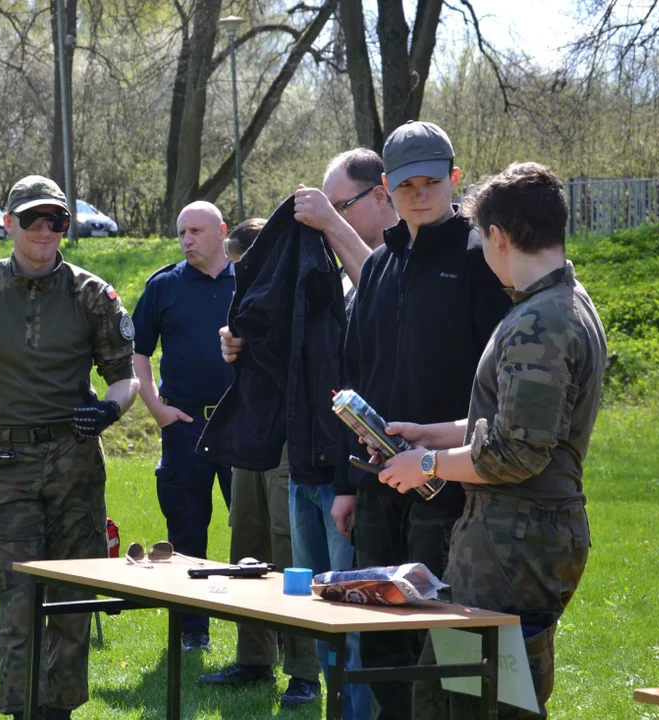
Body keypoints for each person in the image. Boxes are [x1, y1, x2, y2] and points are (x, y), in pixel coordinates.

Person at [375, 162, 605, 719]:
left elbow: (516, 453)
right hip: (513, 538)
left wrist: (426, 463)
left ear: (497, 236)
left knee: (487, 705)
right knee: (444, 693)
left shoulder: (539, 323)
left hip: (514, 542)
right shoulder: (563, 303)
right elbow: (518, 424)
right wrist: (433, 434)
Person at [0, 175, 139, 720]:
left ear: (67, 227)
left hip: (76, 461)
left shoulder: (92, 295)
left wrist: (110, 409)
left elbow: (123, 378)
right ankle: (20, 711)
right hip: (9, 461)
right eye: (32, 219)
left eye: (55, 220)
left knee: (71, 595)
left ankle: (56, 712)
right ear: (8, 223)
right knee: (17, 596)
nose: (44, 230)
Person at [330, 121, 512, 718]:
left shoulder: (481, 258)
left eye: (433, 181)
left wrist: (456, 460)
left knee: (446, 645)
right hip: (380, 485)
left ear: (454, 179)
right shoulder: (380, 264)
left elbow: (499, 382)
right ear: (387, 188)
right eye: (408, 185)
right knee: (381, 635)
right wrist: (345, 484)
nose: (421, 193)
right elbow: (356, 374)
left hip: (451, 486)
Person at [218, 149, 392, 720]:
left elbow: (386, 301)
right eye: (329, 206)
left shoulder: (398, 262)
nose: (326, 217)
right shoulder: (327, 273)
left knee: (357, 621)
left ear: (380, 196)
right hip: (309, 467)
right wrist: (246, 344)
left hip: (358, 477)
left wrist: (331, 222)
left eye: (342, 204)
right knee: (321, 617)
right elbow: (301, 362)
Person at [198, 218, 323, 709]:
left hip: (292, 438)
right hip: (251, 432)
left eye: (240, 266)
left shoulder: (304, 286)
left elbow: (307, 358)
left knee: (290, 552)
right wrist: (234, 346)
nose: (236, 277)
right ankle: (254, 659)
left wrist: (256, 343)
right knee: (245, 542)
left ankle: (305, 671)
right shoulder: (249, 295)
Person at [131, 200, 235, 652]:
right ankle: (193, 631)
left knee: (255, 530)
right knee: (187, 530)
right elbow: (135, 351)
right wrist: (154, 405)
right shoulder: (164, 286)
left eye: (195, 231)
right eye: (181, 233)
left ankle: (270, 635)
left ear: (221, 232)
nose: (187, 240)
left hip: (242, 425)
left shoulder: (248, 280)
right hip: (185, 424)